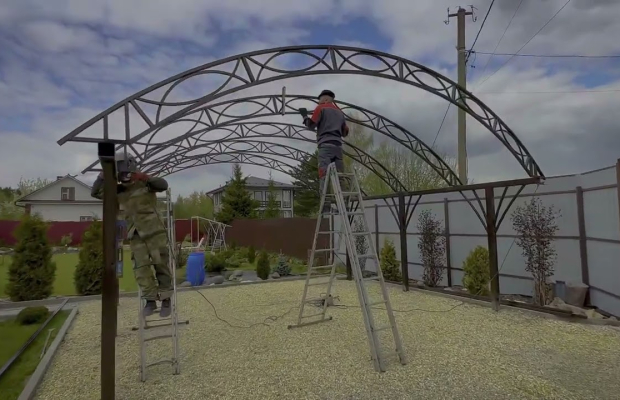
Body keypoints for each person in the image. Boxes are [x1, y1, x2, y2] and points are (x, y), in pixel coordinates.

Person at [91, 152, 173, 318]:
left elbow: (163, 184)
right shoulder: (118, 190)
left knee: (160, 265)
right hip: (136, 235)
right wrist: (103, 175)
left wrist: (144, 177)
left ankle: (166, 300)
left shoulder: (146, 184)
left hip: (154, 232)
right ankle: (150, 300)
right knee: (141, 268)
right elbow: (95, 192)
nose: (124, 176)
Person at [300, 89, 350, 212]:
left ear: (326, 99)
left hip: (325, 146)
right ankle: (344, 205)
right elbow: (345, 132)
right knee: (340, 176)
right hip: (338, 148)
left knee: (324, 175)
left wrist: (305, 116)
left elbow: (311, 125)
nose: (319, 102)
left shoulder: (321, 108)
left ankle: (326, 206)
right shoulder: (340, 113)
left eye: (320, 99)